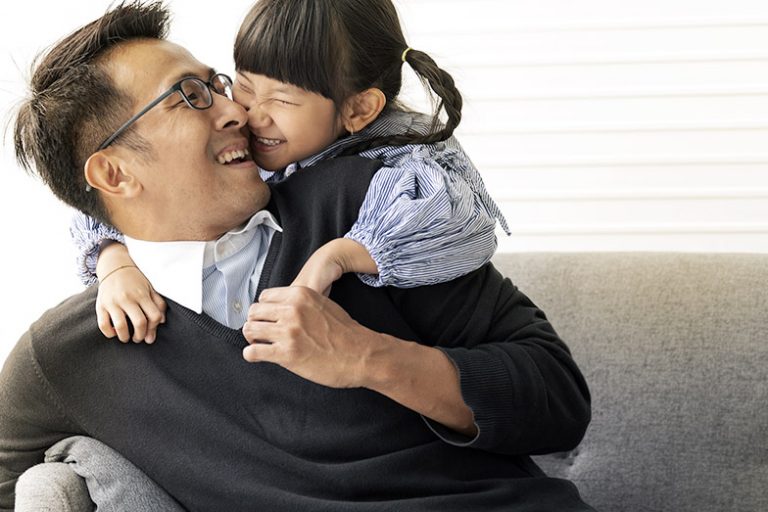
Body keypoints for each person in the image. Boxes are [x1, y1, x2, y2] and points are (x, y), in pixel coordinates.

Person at [1, 2, 595, 511]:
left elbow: (559, 402)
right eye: (189, 96)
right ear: (114, 172)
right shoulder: (68, 354)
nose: (237, 111)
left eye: (217, 84)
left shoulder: (370, 211)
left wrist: (369, 357)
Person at [72, 0, 510, 344]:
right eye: (244, 84)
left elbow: (455, 221)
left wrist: (337, 256)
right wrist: (113, 262)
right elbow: (118, 193)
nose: (245, 114)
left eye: (280, 101)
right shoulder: (260, 139)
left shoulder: (400, 162)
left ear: (359, 108)